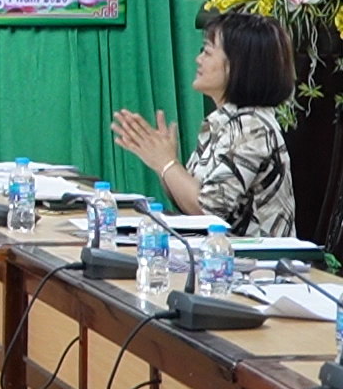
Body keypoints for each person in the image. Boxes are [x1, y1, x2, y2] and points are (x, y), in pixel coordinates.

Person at [111, 12, 296, 237]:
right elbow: (190, 203)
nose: (198, 60)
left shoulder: (252, 128)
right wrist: (161, 163)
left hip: (254, 258)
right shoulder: (224, 122)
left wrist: (166, 162)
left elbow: (207, 211)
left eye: (207, 53)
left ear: (238, 65)